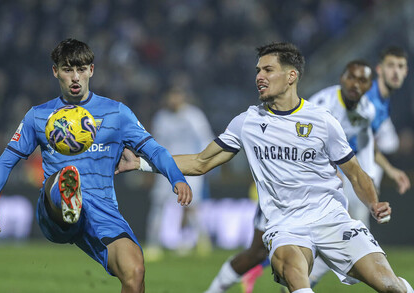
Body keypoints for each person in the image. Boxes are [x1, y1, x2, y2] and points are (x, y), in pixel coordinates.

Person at [117, 42, 414, 293]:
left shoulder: (322, 121)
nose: (259, 76)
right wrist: (143, 162)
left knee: (391, 287)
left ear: (291, 76)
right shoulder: (247, 122)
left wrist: (373, 203)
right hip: (285, 225)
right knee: (292, 270)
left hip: (332, 218)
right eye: (258, 70)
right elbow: (200, 161)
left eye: (267, 70)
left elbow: (355, 171)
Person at [0, 38, 192, 293]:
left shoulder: (117, 113)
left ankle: (75, 202)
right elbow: (6, 161)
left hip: (102, 211)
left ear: (91, 70)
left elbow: (154, 150)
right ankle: (68, 199)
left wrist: (176, 178)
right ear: (55, 71)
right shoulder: (38, 116)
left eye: (81, 69)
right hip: (54, 210)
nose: (75, 77)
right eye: (68, 69)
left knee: (135, 271)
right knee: (63, 178)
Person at [307, 59, 411, 289]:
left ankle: (307, 277)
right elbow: (305, 140)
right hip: (317, 175)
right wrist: (328, 172)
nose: (355, 84)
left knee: (353, 229)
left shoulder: (368, 110)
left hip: (348, 173)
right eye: (351, 77)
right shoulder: (323, 105)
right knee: (342, 230)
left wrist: (370, 178)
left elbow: (365, 147)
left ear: (369, 86)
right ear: (342, 79)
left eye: (362, 80)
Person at [145, 86, 214, 259]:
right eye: (171, 96)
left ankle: (199, 239)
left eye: (177, 95)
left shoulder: (193, 115)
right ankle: (153, 244)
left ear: (183, 97)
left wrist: (204, 164)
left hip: (191, 166)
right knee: (158, 203)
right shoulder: (162, 117)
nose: (173, 99)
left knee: (190, 205)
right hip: (166, 166)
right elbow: (155, 144)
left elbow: (206, 139)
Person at [366, 46, 409, 192]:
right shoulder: (366, 99)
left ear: (406, 72)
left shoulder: (385, 102)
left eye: (400, 66)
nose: (396, 72)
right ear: (379, 69)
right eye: (390, 65)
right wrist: (390, 170)